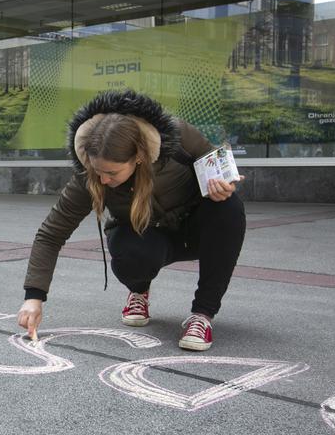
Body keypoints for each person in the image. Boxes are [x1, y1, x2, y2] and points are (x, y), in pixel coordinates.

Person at [17, 90, 246, 351]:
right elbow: (51, 234)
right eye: (97, 170)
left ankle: (202, 315)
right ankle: (139, 291)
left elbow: (216, 164)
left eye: (112, 173)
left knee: (228, 209)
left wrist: (224, 185)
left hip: (194, 228)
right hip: (145, 236)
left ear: (138, 157)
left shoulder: (178, 136)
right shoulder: (90, 176)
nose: (103, 180)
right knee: (129, 253)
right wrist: (33, 297)